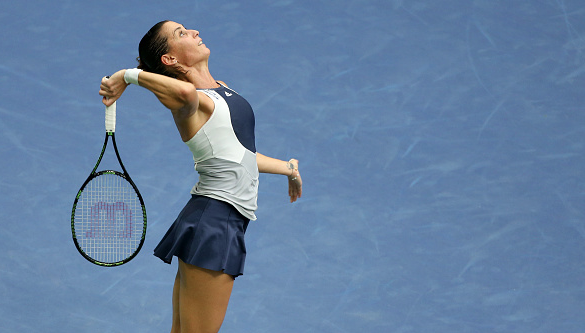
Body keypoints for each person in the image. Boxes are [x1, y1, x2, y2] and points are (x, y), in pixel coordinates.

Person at [98, 20, 302, 333]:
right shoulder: (187, 100)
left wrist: (287, 168)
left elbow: (239, 155)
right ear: (170, 60)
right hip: (215, 224)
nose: (193, 31)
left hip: (216, 219)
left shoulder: (220, 90)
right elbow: (182, 89)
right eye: (181, 34)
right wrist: (127, 76)